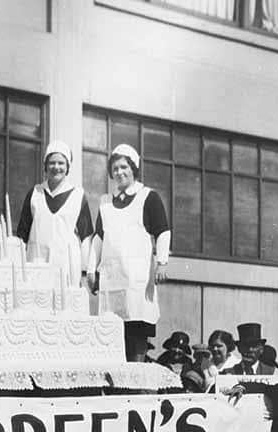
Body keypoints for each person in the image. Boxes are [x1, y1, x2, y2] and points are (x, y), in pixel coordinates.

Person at [87, 144, 171, 362]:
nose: (119, 172)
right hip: (112, 281)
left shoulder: (148, 197)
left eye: (124, 167)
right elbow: (99, 237)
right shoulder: (106, 202)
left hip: (137, 282)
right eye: (115, 168)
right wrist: (91, 271)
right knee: (113, 335)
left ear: (134, 168)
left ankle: (136, 387)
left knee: (136, 334)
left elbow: (162, 231)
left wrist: (162, 262)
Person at [15, 140, 93, 287]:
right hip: (37, 263)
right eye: (52, 163)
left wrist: (84, 271)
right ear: (45, 165)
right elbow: (22, 235)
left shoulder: (78, 196)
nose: (56, 167)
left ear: (68, 166)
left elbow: (86, 237)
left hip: (67, 267)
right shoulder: (35, 194)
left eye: (61, 163)